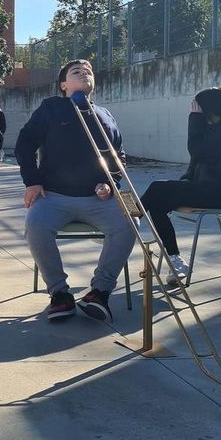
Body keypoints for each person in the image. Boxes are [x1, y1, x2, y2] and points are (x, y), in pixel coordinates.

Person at [16, 59, 136, 322]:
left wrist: (111, 183)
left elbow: (119, 157)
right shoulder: (51, 108)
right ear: (63, 85)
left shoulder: (105, 114)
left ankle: (100, 292)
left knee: (130, 222)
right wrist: (32, 181)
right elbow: (24, 143)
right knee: (35, 225)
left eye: (88, 71)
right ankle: (60, 293)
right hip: (53, 196)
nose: (84, 73)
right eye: (76, 71)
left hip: (98, 199)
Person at [141, 88, 221, 286]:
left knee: (156, 188)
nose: (199, 114)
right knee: (158, 203)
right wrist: (185, 182)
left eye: (199, 110)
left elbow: (196, 150)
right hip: (207, 188)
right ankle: (176, 261)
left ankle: (127, 222)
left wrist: (195, 119)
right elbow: (200, 160)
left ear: (211, 108)